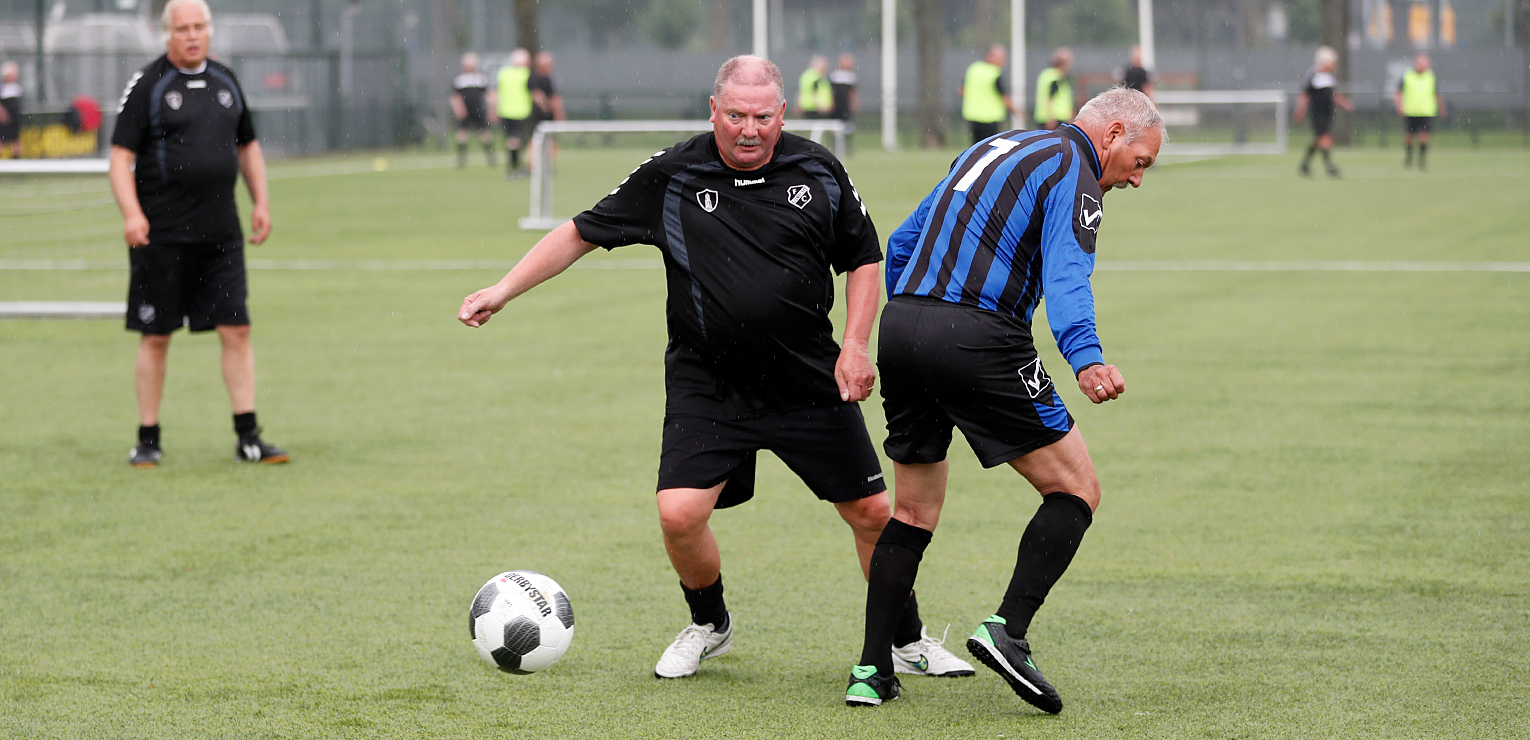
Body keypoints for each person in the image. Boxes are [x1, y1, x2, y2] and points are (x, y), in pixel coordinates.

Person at [458, 55, 973, 682]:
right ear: (713, 111)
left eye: (762, 116)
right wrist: (503, 289)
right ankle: (709, 623)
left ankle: (906, 639)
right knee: (678, 514)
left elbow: (864, 258)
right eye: (735, 115)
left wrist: (856, 344)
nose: (749, 129)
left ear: (782, 114)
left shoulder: (818, 169)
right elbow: (580, 231)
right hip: (709, 382)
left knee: (871, 514)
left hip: (808, 378)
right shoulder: (673, 173)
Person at [843, 87, 1165, 710]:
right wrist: (1086, 356)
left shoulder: (995, 144)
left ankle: (870, 671)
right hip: (981, 337)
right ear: (1114, 132)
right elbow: (1068, 273)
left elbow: (904, 239)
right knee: (1076, 489)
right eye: (1140, 161)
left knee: (910, 513)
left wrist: (914, 322)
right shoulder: (1075, 169)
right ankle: (1007, 631)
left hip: (904, 326)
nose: (1136, 179)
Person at [108, 0, 287, 467]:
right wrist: (131, 213)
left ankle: (248, 435)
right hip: (160, 234)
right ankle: (148, 438)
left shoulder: (227, 80)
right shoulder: (148, 83)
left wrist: (261, 202)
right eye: (182, 29)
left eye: (199, 27)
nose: (192, 36)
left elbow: (248, 145)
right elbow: (120, 158)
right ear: (166, 34)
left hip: (221, 234)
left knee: (238, 329)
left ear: (210, 30)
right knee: (156, 336)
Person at [1293, 46, 1353, 179]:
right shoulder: (1312, 74)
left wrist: (1344, 103)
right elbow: (1304, 95)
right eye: (1332, 62)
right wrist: (1300, 111)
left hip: (1327, 113)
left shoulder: (1330, 77)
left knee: (1319, 140)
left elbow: (1332, 95)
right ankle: (1329, 166)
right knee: (1325, 139)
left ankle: (1304, 165)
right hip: (1317, 113)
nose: (1334, 65)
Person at [1395, 53, 1444, 171]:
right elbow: (1398, 93)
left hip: (1426, 111)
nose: (1426, 65)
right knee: (1409, 136)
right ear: (1417, 63)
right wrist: (1400, 106)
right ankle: (1409, 156)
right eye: (1423, 63)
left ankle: (1422, 160)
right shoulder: (1408, 75)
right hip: (1411, 111)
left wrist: (1441, 107)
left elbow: (1435, 94)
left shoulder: (1430, 76)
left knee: (1424, 135)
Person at [961, 45, 1017, 144]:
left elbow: (962, 90)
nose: (1004, 62)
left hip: (973, 115)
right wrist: (1016, 111)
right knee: (990, 148)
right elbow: (1004, 97)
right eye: (1001, 59)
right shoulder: (994, 73)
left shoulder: (974, 69)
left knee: (976, 148)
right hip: (991, 117)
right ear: (991, 56)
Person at [450, 52, 495, 168]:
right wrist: (459, 109)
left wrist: (491, 109)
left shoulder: (480, 78)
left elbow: (488, 95)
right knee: (462, 135)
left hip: (478, 110)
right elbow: (455, 97)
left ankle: (491, 158)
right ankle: (461, 160)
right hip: (465, 111)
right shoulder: (459, 79)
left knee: (485, 134)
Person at [493, 48, 532, 179]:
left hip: (505, 111)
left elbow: (497, 93)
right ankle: (515, 167)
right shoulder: (526, 74)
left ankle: (513, 166)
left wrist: (493, 109)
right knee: (517, 139)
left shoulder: (504, 73)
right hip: (521, 111)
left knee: (511, 140)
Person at [1034, 48, 1076, 131]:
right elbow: (1050, 98)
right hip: (1055, 118)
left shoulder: (1046, 75)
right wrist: (1050, 118)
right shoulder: (1056, 77)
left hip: (1044, 117)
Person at [828, 52, 858, 149]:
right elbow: (830, 91)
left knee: (847, 127)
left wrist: (854, 103)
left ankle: (846, 146)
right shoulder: (834, 75)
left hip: (846, 105)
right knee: (834, 126)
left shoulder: (851, 76)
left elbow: (853, 92)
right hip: (836, 106)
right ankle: (834, 145)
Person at [796, 55, 832, 119]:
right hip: (816, 109)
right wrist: (820, 106)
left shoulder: (806, 76)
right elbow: (815, 92)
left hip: (807, 107)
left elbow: (801, 91)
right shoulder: (817, 77)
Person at [0, 61, 21, 158]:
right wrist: (2, 113)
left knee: (16, 143)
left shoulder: (17, 88)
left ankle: (15, 163)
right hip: (4, 120)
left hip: (14, 120)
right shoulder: (2, 87)